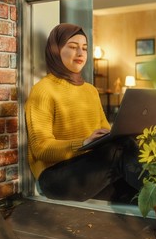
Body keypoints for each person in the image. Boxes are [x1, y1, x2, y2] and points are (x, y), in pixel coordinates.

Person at [25, 23, 141, 202]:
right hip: (55, 177)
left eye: (84, 48)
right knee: (120, 153)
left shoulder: (90, 91)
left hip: (89, 173)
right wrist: (84, 143)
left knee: (136, 192)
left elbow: (105, 132)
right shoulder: (43, 90)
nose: (80, 53)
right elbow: (41, 149)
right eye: (72, 47)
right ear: (55, 51)